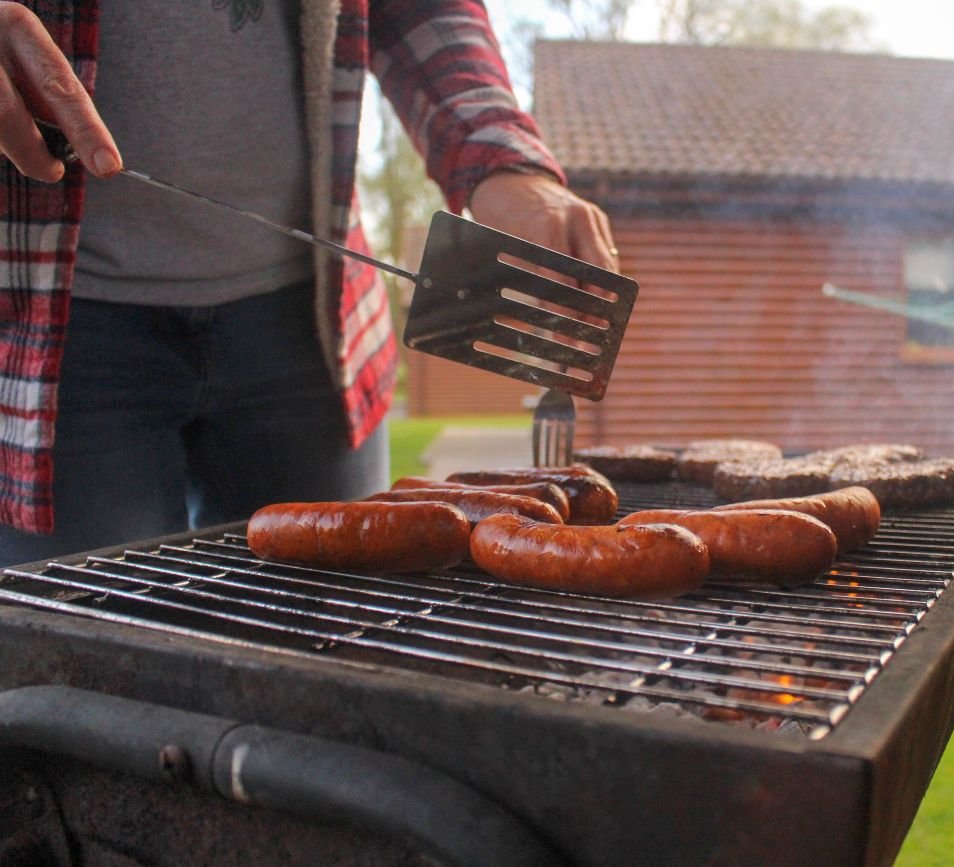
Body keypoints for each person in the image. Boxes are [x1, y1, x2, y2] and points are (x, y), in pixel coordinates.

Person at [0, 0, 619, 565]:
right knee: (93, 654)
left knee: (336, 633)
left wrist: (503, 161)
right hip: (48, 328)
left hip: (314, 322)